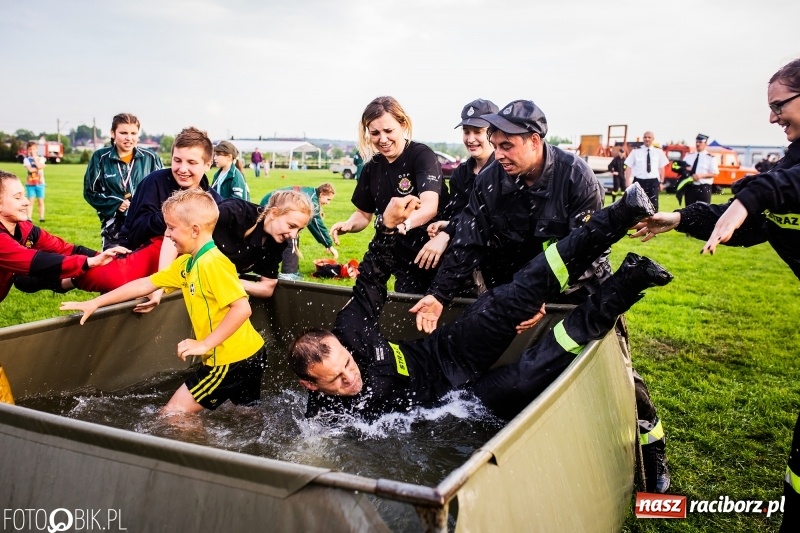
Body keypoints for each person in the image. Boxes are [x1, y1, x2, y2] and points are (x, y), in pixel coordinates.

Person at [408, 99, 672, 493]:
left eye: (507, 146)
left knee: (619, 378)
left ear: (534, 141)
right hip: (517, 291)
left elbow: (590, 250)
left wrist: (541, 298)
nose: (498, 154)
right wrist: (440, 296)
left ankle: (652, 455)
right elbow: (468, 243)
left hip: (577, 292)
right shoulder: (490, 179)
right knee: (511, 372)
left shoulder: (576, 176)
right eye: (494, 144)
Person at [286, 185, 668, 423]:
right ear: (310, 385)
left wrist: (386, 227)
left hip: (446, 355)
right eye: (335, 379)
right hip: (456, 402)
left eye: (348, 364)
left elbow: (371, 277)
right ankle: (630, 281)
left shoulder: (351, 329)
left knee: (513, 299)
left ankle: (621, 214)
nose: (349, 376)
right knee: (526, 378)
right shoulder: (324, 418)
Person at [631, 58, 800, 532]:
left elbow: (776, 192)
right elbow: (750, 226)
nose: (771, 118)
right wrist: (680, 219)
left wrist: (754, 195)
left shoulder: (784, 176)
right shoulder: (791, 162)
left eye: (778, 106)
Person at [60, 189, 266, 415]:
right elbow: (145, 284)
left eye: (172, 227)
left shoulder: (212, 263)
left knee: (172, 415)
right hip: (251, 352)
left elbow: (242, 309)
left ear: (195, 230)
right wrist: (96, 303)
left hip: (228, 360)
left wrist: (204, 344)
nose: (167, 234)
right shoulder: (187, 263)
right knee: (247, 415)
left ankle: (196, 451)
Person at [69, 127, 223, 312]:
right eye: (177, 160)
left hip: (183, 271)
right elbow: (136, 231)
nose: (182, 169)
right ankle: (61, 278)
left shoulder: (212, 200)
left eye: (191, 162)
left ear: (207, 165)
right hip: (139, 254)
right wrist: (175, 215)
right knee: (108, 281)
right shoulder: (154, 182)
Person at [330, 96, 449, 294]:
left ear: (403, 124)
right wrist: (348, 225)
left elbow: (430, 206)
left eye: (388, 131)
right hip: (403, 261)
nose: (382, 139)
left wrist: (403, 224)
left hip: (438, 253)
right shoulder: (372, 168)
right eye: (375, 133)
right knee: (407, 315)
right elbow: (363, 214)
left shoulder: (421, 155)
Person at [0, 170, 128, 303]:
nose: (26, 202)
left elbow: (63, 248)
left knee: (25, 277)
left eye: (24, 195)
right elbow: (32, 261)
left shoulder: (25, 228)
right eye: (17, 197)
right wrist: (88, 262)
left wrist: (107, 259)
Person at [415, 98, 498, 272]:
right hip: (466, 257)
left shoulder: (505, 170)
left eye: (478, 132)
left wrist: (449, 232)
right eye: (466, 132)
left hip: (499, 259)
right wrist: (446, 224)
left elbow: (486, 217)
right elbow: (462, 212)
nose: (471, 139)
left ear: (493, 132)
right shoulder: (461, 173)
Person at [83, 113, 163, 250]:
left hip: (144, 223)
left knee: (144, 267)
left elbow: (163, 189)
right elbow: (90, 192)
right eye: (123, 132)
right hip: (113, 225)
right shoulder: (100, 157)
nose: (129, 138)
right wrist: (115, 203)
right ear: (113, 133)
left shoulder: (150, 158)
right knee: (114, 265)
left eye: (133, 133)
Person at [215, 190, 313, 298]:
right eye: (291, 226)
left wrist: (231, 282)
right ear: (274, 213)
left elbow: (267, 287)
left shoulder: (277, 243)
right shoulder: (233, 213)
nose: (294, 235)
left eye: (299, 230)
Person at [260, 183, 336, 281]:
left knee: (292, 234)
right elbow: (317, 225)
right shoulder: (312, 200)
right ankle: (288, 274)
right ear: (321, 194)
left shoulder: (311, 193)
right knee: (291, 237)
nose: (328, 203)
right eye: (328, 199)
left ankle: (291, 271)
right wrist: (328, 244)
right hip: (270, 205)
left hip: (270, 204)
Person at [625, 131, 669, 210]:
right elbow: (628, 167)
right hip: (639, 181)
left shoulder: (658, 152)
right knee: (637, 206)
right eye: (645, 137)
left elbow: (661, 168)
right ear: (643, 139)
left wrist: (662, 182)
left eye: (649, 137)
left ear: (653, 139)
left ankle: (653, 222)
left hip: (653, 182)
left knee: (654, 206)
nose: (647, 139)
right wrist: (627, 182)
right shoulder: (636, 151)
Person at [679, 133, 719, 206]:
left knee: (703, 210)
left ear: (705, 143)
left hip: (703, 187)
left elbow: (715, 173)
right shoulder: (689, 155)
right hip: (690, 187)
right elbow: (682, 168)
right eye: (696, 142)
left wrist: (701, 176)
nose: (698, 144)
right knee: (689, 210)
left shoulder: (710, 158)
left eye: (700, 142)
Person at [22, 142, 46, 222]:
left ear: (37, 149)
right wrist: (40, 167)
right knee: (30, 201)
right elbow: (31, 169)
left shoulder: (41, 158)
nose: (32, 151)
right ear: (27, 150)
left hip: (40, 183)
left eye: (34, 149)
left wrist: (35, 158)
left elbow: (39, 165)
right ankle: (29, 217)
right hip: (30, 183)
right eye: (30, 149)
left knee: (40, 201)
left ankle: (41, 217)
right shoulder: (26, 159)